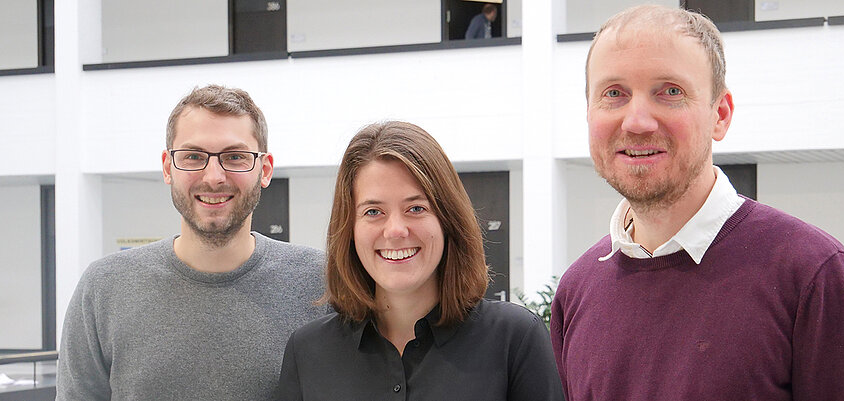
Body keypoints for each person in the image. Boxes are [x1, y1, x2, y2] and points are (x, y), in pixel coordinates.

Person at [550, 5, 844, 400]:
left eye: (670, 92)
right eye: (614, 94)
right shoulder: (577, 291)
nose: (637, 121)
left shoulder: (812, 274)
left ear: (721, 114)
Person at [56, 85, 329, 400]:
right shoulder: (104, 288)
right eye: (194, 156)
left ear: (264, 170)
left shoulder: (319, 282)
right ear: (167, 167)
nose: (213, 176)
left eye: (235, 157)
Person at [277, 121, 563, 400]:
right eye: (373, 212)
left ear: (447, 219)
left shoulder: (515, 339)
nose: (396, 230)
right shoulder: (307, 352)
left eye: (416, 208)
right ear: (349, 229)